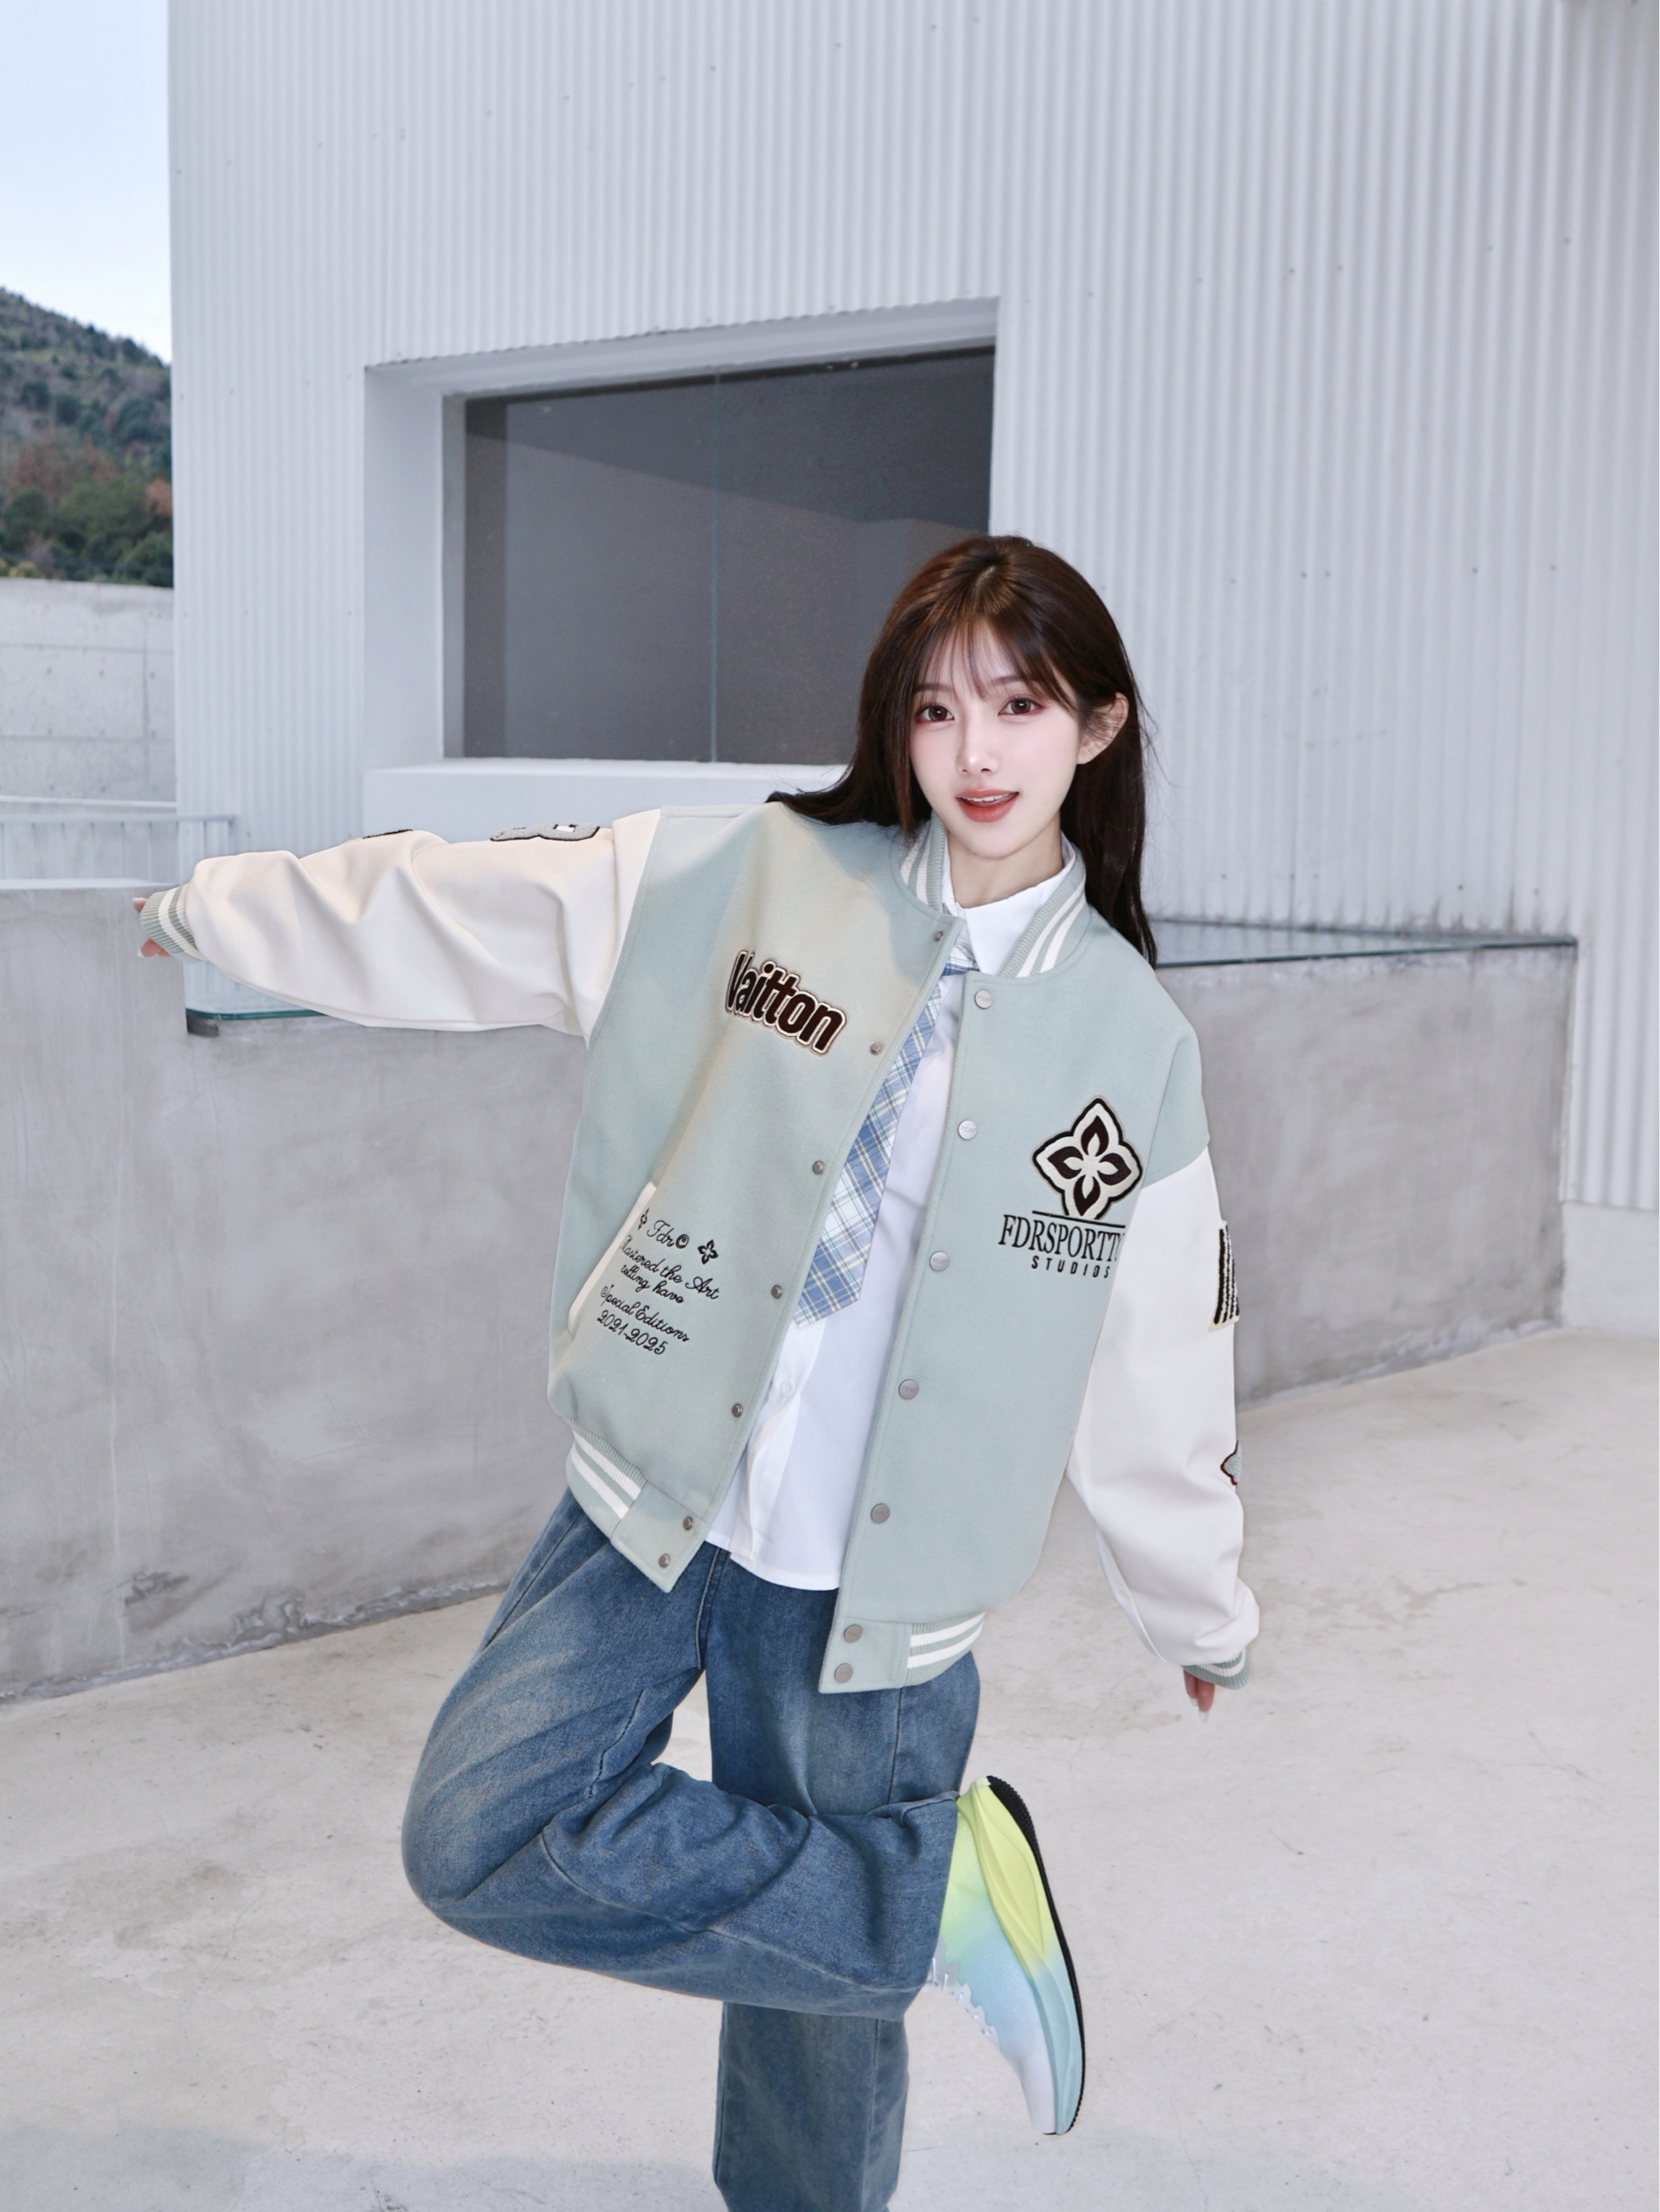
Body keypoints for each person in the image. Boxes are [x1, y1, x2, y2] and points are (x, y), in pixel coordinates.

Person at [137, 535, 1257, 2212]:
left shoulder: (1128, 1042)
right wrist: (219, 913)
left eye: (1019, 707)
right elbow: (476, 903)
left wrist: (1194, 1610)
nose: (973, 752)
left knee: (809, 2018)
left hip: (872, 1585)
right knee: (476, 1831)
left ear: (1094, 726)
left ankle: (860, 1997)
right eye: (935, 708)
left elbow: (1157, 1363)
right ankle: (924, 1896)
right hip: (655, 1498)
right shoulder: (760, 877)